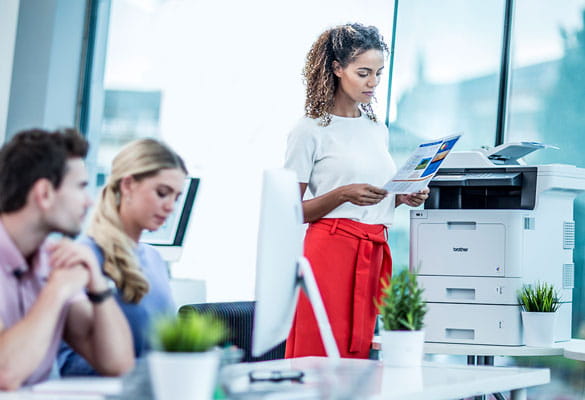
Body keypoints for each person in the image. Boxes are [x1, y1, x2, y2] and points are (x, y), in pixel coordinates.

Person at [284, 23, 429, 359]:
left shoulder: (377, 130)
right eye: (363, 73)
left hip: (373, 248)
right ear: (336, 68)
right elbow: (289, 211)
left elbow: (374, 194)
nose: (373, 83)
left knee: (358, 351)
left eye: (378, 73)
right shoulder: (309, 131)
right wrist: (342, 194)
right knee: (320, 350)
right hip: (330, 250)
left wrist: (402, 197)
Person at [0, 128, 134, 390]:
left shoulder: (52, 260)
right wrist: (57, 290)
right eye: (81, 187)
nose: (89, 201)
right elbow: (5, 373)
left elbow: (119, 364)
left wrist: (97, 284)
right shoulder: (58, 277)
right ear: (45, 193)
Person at [58, 138, 188, 376]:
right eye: (162, 193)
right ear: (128, 185)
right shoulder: (84, 257)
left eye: (176, 198)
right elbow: (66, 363)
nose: (170, 206)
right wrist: (153, 372)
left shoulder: (154, 258)